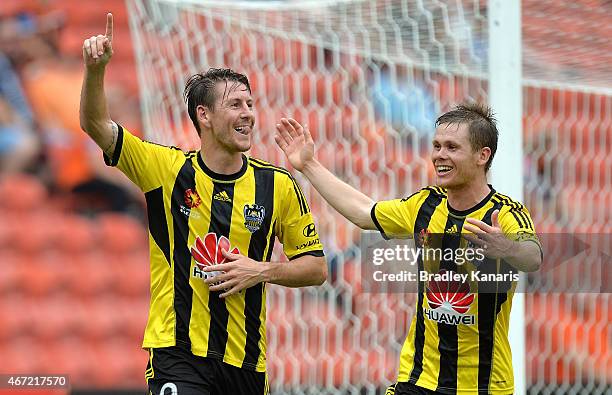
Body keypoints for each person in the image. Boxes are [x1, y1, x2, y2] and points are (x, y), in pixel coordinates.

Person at [80, 13, 327, 395]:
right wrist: (96, 71)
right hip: (178, 354)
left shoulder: (277, 185)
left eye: (250, 103)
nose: (248, 114)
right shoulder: (165, 169)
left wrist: (259, 270)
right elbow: (96, 124)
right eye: (235, 105)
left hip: (245, 363)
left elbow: (315, 268)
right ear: (204, 116)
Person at [275, 104, 542, 394]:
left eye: (452, 147)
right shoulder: (425, 205)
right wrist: (309, 165)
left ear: (483, 155)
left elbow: (532, 255)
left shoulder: (505, 213)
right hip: (420, 379)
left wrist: (507, 248)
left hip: (485, 385)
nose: (440, 155)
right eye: (437, 146)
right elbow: (364, 212)